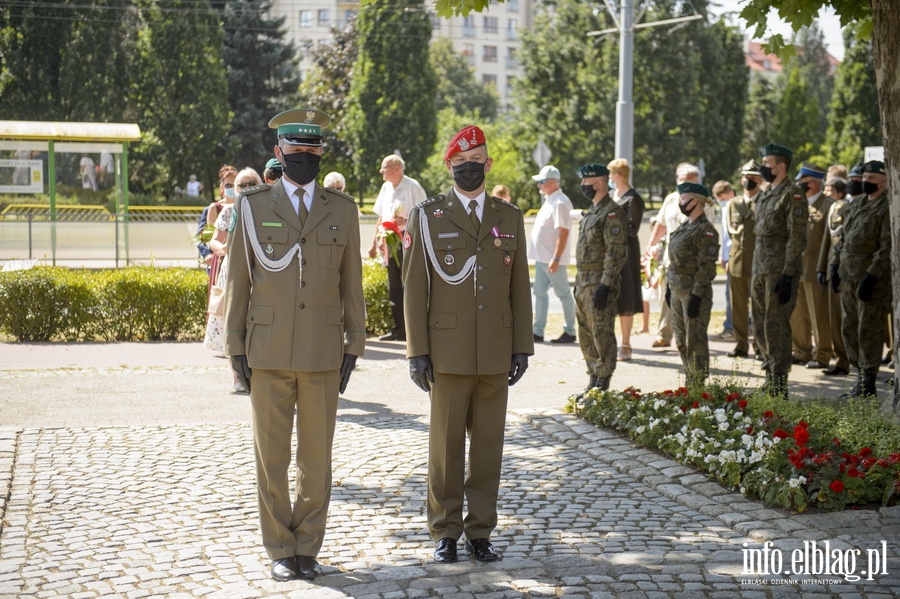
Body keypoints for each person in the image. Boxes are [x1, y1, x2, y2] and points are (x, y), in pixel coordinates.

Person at [224, 107, 365, 581]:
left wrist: (355, 344)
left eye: (312, 151)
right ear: (278, 153)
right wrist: (235, 345)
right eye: (296, 151)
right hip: (267, 347)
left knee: (316, 456)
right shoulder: (253, 206)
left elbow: (352, 284)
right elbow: (240, 280)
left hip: (323, 349)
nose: (304, 158)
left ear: (321, 154)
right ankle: (280, 548)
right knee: (272, 455)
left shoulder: (341, 210)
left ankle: (308, 545)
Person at [403, 125, 533, 564]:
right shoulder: (428, 215)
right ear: (449, 166)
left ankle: (480, 531)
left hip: (496, 350)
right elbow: (414, 288)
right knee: (445, 449)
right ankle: (445, 531)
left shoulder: (509, 216)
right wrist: (417, 351)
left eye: (476, 160)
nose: (469, 168)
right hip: (448, 350)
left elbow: (520, 287)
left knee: (488, 449)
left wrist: (522, 346)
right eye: (461, 162)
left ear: (488, 164)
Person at [830, 160, 892, 398]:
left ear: (884, 181)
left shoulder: (886, 207)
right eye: (864, 177)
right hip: (848, 277)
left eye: (872, 178)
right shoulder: (857, 205)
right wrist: (835, 266)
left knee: (869, 330)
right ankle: (858, 376)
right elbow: (844, 240)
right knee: (849, 328)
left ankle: (868, 381)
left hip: (870, 281)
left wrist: (872, 275)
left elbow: (886, 247)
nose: (866, 181)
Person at [751, 144, 807, 399]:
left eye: (767, 162)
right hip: (759, 269)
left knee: (776, 325)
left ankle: (779, 381)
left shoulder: (792, 194)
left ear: (781, 166)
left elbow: (797, 237)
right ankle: (769, 373)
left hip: (778, 271)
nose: (763, 167)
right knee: (760, 324)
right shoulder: (765, 194)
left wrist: (788, 273)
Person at [203, 166, 263, 395]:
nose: (247, 188)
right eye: (242, 185)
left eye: (251, 184)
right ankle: (237, 375)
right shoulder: (228, 211)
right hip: (232, 272)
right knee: (233, 322)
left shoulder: (267, 209)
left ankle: (257, 372)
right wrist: (223, 248)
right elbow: (213, 241)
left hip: (259, 272)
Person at [644, 163, 713, 349]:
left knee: (691, 305)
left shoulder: (703, 202)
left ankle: (692, 344)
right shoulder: (670, 200)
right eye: (682, 181)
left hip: (691, 262)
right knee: (667, 298)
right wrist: (650, 246)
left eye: (690, 181)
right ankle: (665, 334)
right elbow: (661, 224)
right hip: (670, 258)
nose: (685, 186)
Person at [573, 163, 628, 396]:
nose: (582, 186)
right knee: (585, 332)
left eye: (585, 182)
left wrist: (605, 285)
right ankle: (593, 377)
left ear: (598, 183)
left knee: (601, 332)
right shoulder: (592, 212)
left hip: (599, 282)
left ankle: (603, 380)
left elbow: (616, 252)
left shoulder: (611, 212)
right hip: (583, 280)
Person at [368, 154, 427, 342]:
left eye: (384, 167)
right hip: (389, 243)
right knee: (394, 287)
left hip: (409, 242)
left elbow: (425, 216)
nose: (381, 171)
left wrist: (407, 220)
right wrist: (373, 243)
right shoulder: (385, 188)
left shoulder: (413, 187)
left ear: (397, 168)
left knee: (409, 286)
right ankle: (398, 330)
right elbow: (381, 216)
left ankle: (414, 330)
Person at [666, 182, 719, 386]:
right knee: (680, 340)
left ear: (695, 201)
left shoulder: (705, 230)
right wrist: (669, 289)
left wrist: (697, 294)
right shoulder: (683, 227)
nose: (680, 202)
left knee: (694, 340)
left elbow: (707, 267)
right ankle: (690, 379)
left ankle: (697, 383)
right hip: (677, 289)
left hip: (694, 292)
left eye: (683, 199)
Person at [789, 163, 833, 370]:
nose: (799, 185)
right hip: (796, 268)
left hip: (816, 269)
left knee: (819, 316)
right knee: (798, 316)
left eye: (802, 182)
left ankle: (823, 354)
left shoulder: (829, 206)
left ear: (813, 183)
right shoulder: (797, 204)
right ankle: (801, 351)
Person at [529, 164, 577, 344]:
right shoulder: (550, 200)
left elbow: (563, 233)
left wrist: (556, 258)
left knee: (563, 293)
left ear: (552, 182)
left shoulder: (561, 202)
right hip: (543, 258)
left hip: (552, 258)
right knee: (540, 292)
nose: (539, 185)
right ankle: (538, 330)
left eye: (541, 182)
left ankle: (570, 331)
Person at [724, 160, 761, 359]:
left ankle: (760, 346)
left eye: (753, 178)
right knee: (738, 307)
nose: (749, 181)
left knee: (758, 307)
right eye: (746, 177)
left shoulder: (765, 201)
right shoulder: (733, 204)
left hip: (758, 262)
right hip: (737, 261)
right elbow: (731, 233)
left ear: (760, 180)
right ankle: (740, 345)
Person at [608, 158, 645, 360]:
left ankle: (626, 344)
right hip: (612, 251)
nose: (610, 178)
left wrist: (612, 225)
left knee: (626, 298)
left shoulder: (634, 198)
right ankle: (612, 343)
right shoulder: (613, 195)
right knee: (612, 297)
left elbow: (633, 228)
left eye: (612, 174)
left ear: (618, 175)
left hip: (628, 252)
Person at [816, 177, 850, 376]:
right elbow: (827, 242)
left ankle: (846, 360)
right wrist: (822, 268)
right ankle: (841, 360)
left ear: (838, 191)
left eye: (828, 189)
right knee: (834, 318)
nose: (826, 193)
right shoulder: (833, 208)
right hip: (831, 269)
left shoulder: (846, 208)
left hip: (843, 271)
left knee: (843, 318)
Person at [711, 181, 735, 341]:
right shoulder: (729, 208)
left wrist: (726, 257)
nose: (719, 201)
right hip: (729, 256)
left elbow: (730, 238)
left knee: (731, 294)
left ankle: (731, 327)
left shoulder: (731, 208)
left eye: (719, 197)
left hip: (733, 257)